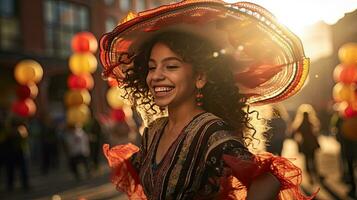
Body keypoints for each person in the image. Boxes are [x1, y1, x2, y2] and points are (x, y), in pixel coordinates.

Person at [100, 1, 314, 199]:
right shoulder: (154, 130)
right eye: (151, 67)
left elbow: (268, 181)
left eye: (171, 66)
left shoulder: (211, 131)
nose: (156, 76)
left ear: (200, 77)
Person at [292, 104, 321, 185]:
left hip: (305, 144)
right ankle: (315, 173)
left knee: (307, 160)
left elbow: (295, 132)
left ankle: (310, 175)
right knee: (313, 159)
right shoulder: (312, 122)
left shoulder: (300, 124)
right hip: (312, 143)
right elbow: (316, 132)